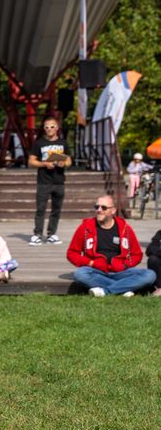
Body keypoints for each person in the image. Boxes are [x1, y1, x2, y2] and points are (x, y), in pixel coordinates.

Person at [67, 194, 156, 296]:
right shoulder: (85, 227)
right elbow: (72, 253)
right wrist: (91, 263)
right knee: (80, 274)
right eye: (97, 207)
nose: (99, 210)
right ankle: (123, 289)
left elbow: (137, 254)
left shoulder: (125, 229)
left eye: (103, 207)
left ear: (113, 211)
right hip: (96, 271)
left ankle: (105, 291)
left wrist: (125, 265)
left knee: (150, 275)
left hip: (121, 272)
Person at [29, 116, 71, 245]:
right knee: (41, 209)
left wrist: (63, 163)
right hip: (44, 181)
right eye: (47, 127)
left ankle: (52, 233)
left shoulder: (63, 143)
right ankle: (37, 234)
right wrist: (44, 164)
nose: (49, 129)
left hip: (59, 181)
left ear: (57, 128)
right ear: (44, 129)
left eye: (52, 127)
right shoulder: (39, 143)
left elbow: (69, 160)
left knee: (56, 209)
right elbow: (31, 161)